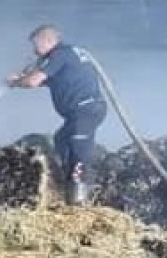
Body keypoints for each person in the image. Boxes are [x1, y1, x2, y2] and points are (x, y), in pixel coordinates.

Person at [6, 25, 107, 205]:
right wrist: (25, 77)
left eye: (36, 45)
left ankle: (79, 201)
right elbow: (45, 80)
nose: (35, 52)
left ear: (48, 40)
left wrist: (16, 82)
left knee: (78, 152)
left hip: (85, 110)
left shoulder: (60, 54)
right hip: (82, 111)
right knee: (62, 139)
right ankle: (64, 186)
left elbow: (32, 81)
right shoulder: (67, 55)